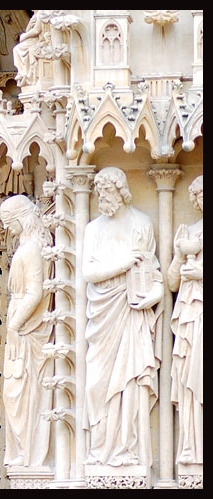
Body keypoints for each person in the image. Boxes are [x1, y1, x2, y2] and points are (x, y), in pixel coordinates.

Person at [82, 167, 162, 467]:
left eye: (107, 192)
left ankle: (127, 449)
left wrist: (154, 296)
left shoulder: (142, 223)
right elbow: (88, 272)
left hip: (132, 311)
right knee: (96, 383)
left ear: (121, 190)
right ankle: (100, 448)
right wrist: (123, 263)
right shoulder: (92, 228)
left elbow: (154, 272)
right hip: (102, 313)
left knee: (130, 381)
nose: (103, 198)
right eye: (99, 193)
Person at [0, 195, 53, 467]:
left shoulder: (31, 249)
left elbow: (36, 292)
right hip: (21, 326)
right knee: (15, 392)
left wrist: (15, 323)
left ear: (21, 218)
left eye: (9, 222)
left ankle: (29, 455)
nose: (6, 229)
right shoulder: (26, 246)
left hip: (27, 328)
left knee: (21, 391)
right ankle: (22, 452)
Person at [168, 175, 203, 466]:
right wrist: (179, 256)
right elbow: (170, 282)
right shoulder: (188, 232)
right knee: (190, 376)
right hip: (191, 314)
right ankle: (192, 447)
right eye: (199, 194)